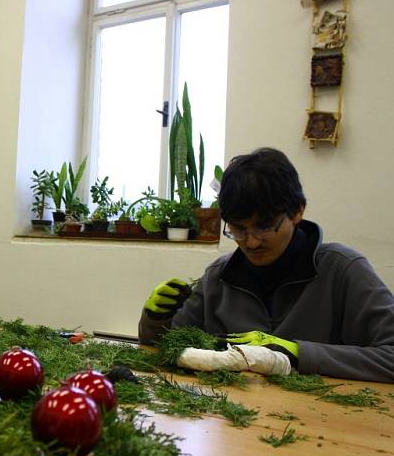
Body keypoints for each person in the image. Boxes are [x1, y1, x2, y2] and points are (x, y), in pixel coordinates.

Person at [139, 148, 394, 383]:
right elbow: (165, 348)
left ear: (297, 212)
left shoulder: (343, 270)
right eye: (238, 229)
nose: (250, 242)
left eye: (264, 226)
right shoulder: (218, 277)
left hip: (326, 422)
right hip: (232, 422)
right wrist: (155, 319)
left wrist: (296, 353)